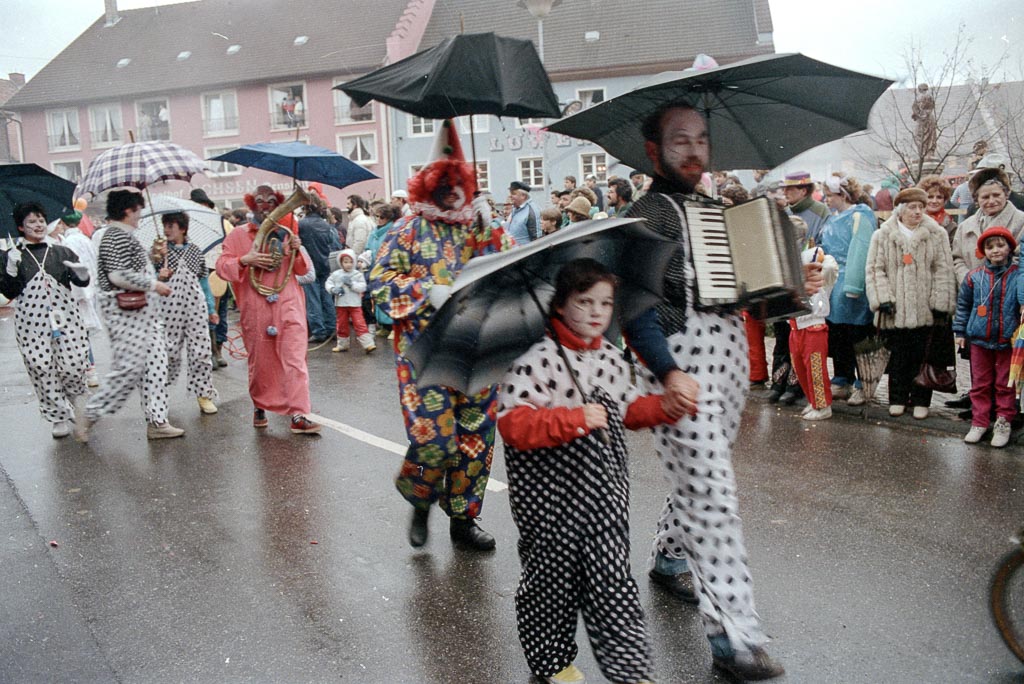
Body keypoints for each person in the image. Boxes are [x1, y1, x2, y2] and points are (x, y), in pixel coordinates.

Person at [622, 103, 795, 680]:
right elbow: (636, 306)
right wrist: (667, 370)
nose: (694, 150)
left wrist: (794, 286)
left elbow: (751, 296)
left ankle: (670, 557)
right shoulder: (644, 215)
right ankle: (734, 637)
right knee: (712, 493)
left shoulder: (719, 210)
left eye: (701, 139)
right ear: (654, 151)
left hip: (729, 359)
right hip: (678, 362)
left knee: (705, 473)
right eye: (680, 140)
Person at [498, 259, 680, 684]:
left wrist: (664, 407)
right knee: (551, 582)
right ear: (560, 305)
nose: (597, 312)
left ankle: (632, 670)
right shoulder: (535, 360)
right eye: (585, 302)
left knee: (612, 579)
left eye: (606, 303)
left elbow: (628, 409)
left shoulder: (611, 359)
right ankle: (551, 661)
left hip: (603, 493)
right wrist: (573, 419)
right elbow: (513, 425)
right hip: (548, 498)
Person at [370, 119, 512, 552]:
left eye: (459, 183)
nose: (452, 191)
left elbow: (510, 266)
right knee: (434, 437)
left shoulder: (479, 226)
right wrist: (423, 291)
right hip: (424, 354)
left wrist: (493, 226)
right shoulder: (406, 230)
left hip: (476, 349)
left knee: (476, 440)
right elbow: (379, 281)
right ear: (427, 186)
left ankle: (463, 520)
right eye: (444, 183)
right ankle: (420, 499)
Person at [78, 190, 183, 441]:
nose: (140, 216)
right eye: (138, 210)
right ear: (128, 210)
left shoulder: (123, 235)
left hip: (141, 312)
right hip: (126, 312)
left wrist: (154, 261)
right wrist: (153, 284)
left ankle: (157, 420)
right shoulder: (114, 236)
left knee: (156, 365)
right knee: (129, 368)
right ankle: (91, 413)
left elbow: (132, 269)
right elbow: (117, 275)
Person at [215, 186, 321, 434]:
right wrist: (245, 260)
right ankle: (260, 405)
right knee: (261, 362)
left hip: (288, 304)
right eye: (260, 201)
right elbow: (221, 266)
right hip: (256, 307)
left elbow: (304, 270)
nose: (265, 205)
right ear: (252, 205)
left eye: (271, 201)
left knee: (295, 359)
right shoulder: (238, 235)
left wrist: (296, 249)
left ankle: (298, 414)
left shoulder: (287, 231)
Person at [0, 202, 91, 438]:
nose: (38, 225)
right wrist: (10, 270)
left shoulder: (61, 251)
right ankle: (57, 415)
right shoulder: (12, 256)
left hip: (66, 319)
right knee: (40, 367)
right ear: (21, 227)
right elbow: (9, 292)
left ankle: (76, 403)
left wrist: (82, 274)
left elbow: (80, 281)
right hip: (31, 323)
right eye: (32, 221)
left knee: (73, 364)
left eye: (41, 220)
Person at [865, 187, 957, 419]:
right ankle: (897, 398)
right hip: (895, 310)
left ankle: (920, 400)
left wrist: (940, 301)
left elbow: (943, 270)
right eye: (912, 207)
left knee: (923, 356)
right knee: (898, 357)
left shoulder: (936, 234)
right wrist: (883, 298)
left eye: (921, 207)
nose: (917, 212)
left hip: (925, 309)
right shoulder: (882, 235)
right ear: (900, 210)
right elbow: (875, 269)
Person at [953, 226, 1020, 447]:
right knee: (980, 384)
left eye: (1001, 245)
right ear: (983, 251)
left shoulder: (1017, 276)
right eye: (990, 247)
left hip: (1007, 341)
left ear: (1010, 248)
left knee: (1005, 384)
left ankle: (1003, 421)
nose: (996, 251)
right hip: (979, 340)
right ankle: (979, 422)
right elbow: (963, 306)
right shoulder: (974, 277)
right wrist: (960, 331)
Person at [819, 175, 877, 405]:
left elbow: (860, 250)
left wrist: (853, 285)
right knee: (838, 332)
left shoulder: (860, 216)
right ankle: (842, 378)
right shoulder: (833, 218)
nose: (827, 200)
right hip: (833, 281)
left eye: (829, 196)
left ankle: (864, 383)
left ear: (842, 195)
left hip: (852, 281)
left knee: (858, 334)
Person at [156, 212, 219, 414]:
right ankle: (159, 395)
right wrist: (159, 274)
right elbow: (148, 280)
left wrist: (211, 309)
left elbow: (204, 282)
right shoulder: (158, 252)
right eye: (165, 226)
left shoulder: (195, 251)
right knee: (169, 352)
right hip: (169, 307)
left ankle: (204, 395)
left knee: (201, 351)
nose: (166, 230)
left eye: (171, 226)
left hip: (195, 307)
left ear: (182, 229)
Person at [951, 166, 1024, 286]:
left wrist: (993, 283)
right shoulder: (965, 227)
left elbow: (1020, 260)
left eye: (996, 195)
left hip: (1008, 290)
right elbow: (958, 259)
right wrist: (969, 280)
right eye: (985, 197)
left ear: (1006, 194)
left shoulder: (1021, 222)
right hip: (972, 291)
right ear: (976, 199)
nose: (991, 201)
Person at [790, 246, 839, 420]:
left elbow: (830, 266)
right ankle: (813, 400)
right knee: (800, 369)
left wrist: (814, 261)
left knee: (815, 368)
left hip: (814, 326)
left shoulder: (823, 275)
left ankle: (823, 405)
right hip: (795, 326)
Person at [57, 210, 102, 387]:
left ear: (63, 223)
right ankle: (88, 369)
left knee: (79, 333)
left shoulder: (68, 242)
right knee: (83, 333)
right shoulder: (85, 239)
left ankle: (89, 370)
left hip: (78, 293)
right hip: (90, 289)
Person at [190, 188, 233, 370]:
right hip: (200, 275)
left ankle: (218, 350)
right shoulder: (189, 225)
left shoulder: (223, 223)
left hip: (219, 273)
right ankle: (210, 352)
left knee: (220, 314)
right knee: (205, 314)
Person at [298, 193, 342, 344]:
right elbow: (332, 243)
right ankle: (331, 328)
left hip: (309, 265)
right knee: (326, 298)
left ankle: (318, 331)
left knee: (313, 300)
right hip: (324, 263)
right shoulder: (326, 225)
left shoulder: (302, 225)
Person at [326, 248, 375, 353]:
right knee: (342, 324)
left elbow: (363, 287)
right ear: (341, 262)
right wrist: (333, 289)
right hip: (341, 304)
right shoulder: (336, 274)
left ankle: (368, 344)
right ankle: (342, 345)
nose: (348, 264)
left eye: (351, 262)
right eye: (345, 262)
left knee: (359, 323)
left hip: (354, 304)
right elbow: (328, 283)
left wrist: (352, 285)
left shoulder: (357, 274)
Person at [365, 204, 400, 338]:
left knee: (390, 297)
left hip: (388, 269)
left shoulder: (392, 231)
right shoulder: (374, 232)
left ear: (389, 218)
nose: (379, 219)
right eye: (377, 216)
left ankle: (394, 327)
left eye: (382, 217)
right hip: (375, 269)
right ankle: (384, 326)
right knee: (378, 298)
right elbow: (368, 248)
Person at [781, 171, 830, 247]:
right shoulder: (784, 213)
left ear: (803, 191)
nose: (784, 192)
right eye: (784, 189)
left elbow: (826, 243)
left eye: (789, 189)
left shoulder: (821, 211)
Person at [918, 175, 956, 245]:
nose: (934, 201)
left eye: (939, 197)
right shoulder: (914, 222)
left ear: (944, 200)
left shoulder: (951, 226)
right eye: (930, 197)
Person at [506, 180, 541, 245]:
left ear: (523, 196)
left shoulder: (532, 210)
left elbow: (537, 239)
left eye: (513, 193)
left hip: (526, 251)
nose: (510, 196)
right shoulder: (516, 208)